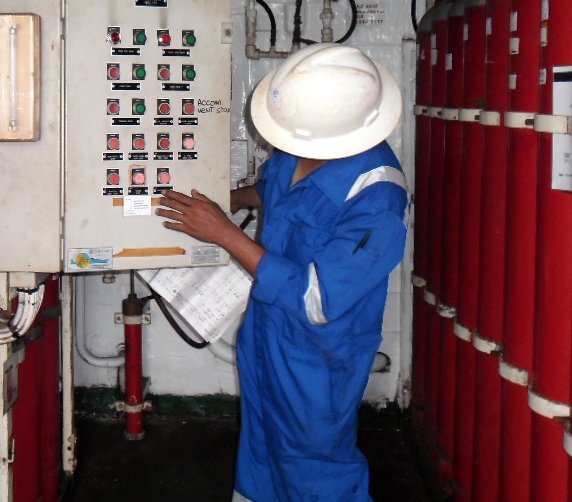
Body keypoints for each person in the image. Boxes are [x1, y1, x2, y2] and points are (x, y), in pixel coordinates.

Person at [156, 43, 409, 502]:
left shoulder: (379, 198)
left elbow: (317, 299)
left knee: (314, 463)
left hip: (319, 356)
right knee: (262, 444)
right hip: (267, 334)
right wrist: (228, 200)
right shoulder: (299, 144)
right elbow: (272, 187)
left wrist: (224, 234)